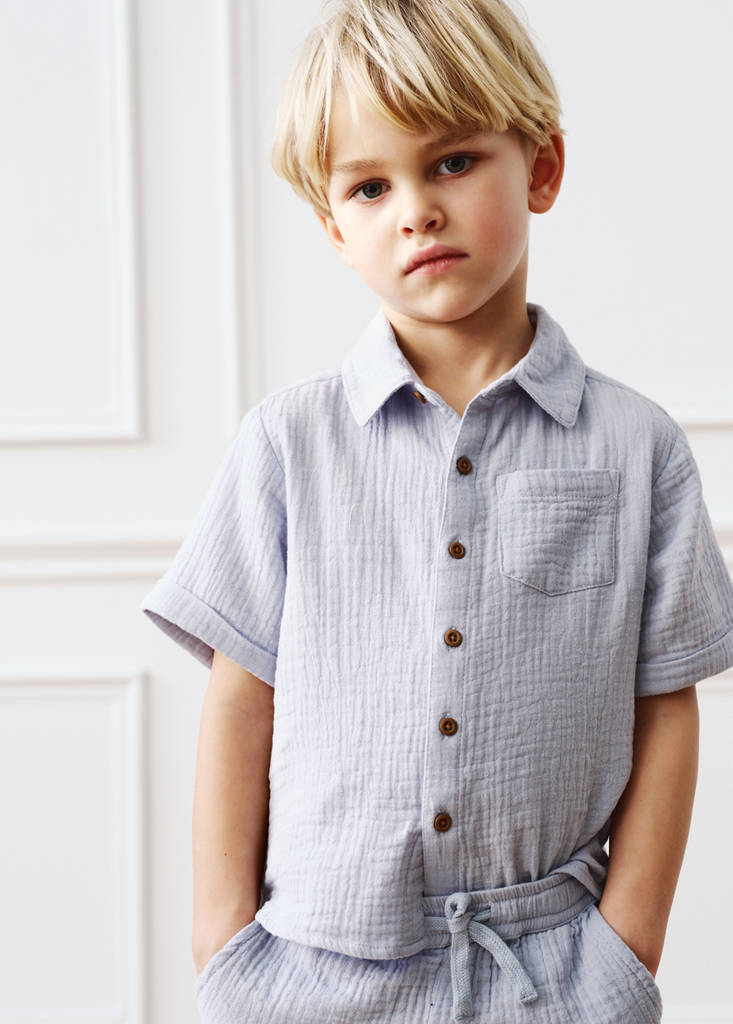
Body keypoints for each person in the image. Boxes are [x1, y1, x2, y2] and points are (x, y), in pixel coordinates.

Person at [140, 0, 733, 1020]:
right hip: (311, 974)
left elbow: (664, 701)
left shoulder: (638, 448)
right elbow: (241, 698)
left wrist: (624, 948)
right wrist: (223, 946)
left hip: (552, 977)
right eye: (369, 187)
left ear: (541, 167)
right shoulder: (286, 444)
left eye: (452, 162)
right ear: (335, 229)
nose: (414, 210)